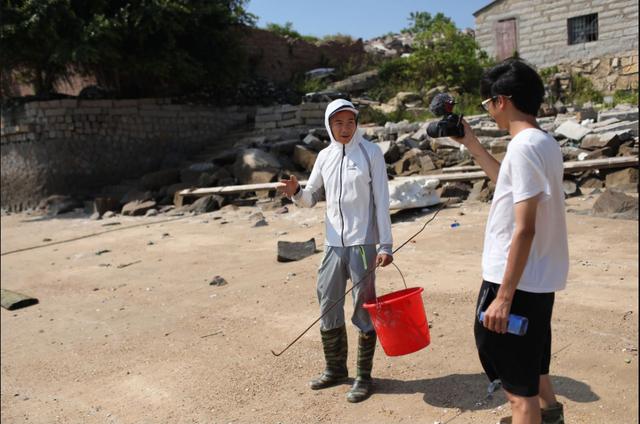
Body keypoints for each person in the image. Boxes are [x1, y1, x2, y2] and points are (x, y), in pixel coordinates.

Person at [452, 59, 568, 424]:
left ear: (502, 101)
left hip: (515, 282)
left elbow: (524, 229)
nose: (489, 113)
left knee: (519, 394)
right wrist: (472, 143)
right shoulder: (542, 142)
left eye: (487, 104)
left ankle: (533, 415)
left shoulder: (523, 148)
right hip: (537, 280)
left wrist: (503, 296)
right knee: (531, 363)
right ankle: (551, 415)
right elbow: (508, 181)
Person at [278, 98, 393, 403]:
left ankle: (364, 378)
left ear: (357, 123)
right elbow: (311, 197)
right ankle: (335, 370)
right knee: (327, 302)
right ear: (329, 125)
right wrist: (295, 192)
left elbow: (382, 200)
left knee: (363, 307)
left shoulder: (371, 154)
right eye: (338, 123)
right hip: (333, 244)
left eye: (350, 122)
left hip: (363, 244)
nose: (345, 128)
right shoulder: (325, 157)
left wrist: (386, 244)